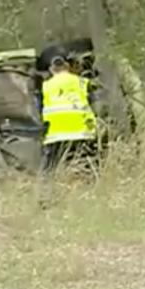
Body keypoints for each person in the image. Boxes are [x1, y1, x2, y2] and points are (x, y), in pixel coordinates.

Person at [38, 54, 98, 207]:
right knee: (86, 166)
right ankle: (89, 197)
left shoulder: (46, 86)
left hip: (55, 135)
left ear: (52, 69)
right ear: (68, 67)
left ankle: (46, 199)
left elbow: (41, 111)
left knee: (49, 169)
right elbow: (93, 104)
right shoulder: (81, 82)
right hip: (81, 132)